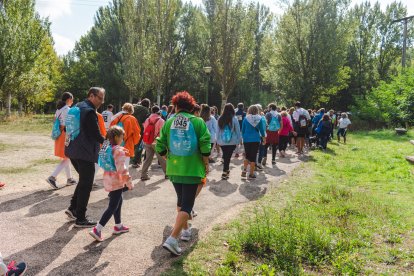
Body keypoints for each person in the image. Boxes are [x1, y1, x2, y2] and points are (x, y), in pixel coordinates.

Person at [156, 91, 211, 256]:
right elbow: (205, 144)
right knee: (187, 205)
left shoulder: (169, 121)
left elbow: (160, 143)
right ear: (191, 106)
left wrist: (167, 156)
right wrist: (206, 164)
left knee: (181, 202)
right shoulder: (198, 122)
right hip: (192, 169)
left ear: (176, 106)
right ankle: (173, 239)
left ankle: (185, 231)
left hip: (174, 168)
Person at [65, 87, 106, 228]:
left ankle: (72, 209)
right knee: (86, 184)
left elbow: (67, 128)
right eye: (100, 98)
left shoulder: (77, 106)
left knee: (83, 180)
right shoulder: (89, 112)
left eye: (103, 98)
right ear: (91, 96)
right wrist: (109, 142)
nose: (102, 101)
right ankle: (81, 218)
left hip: (72, 150)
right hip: (84, 152)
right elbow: (95, 134)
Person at [89, 126, 133, 242]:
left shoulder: (106, 147)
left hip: (108, 177)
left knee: (118, 201)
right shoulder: (118, 150)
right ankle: (97, 229)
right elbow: (122, 169)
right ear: (117, 137)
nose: (123, 138)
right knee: (113, 206)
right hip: (117, 180)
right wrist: (129, 182)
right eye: (122, 136)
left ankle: (118, 225)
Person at [47, 92, 77, 190]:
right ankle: (52, 177)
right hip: (65, 134)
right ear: (68, 99)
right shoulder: (67, 110)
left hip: (60, 135)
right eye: (72, 99)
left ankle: (69, 179)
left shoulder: (59, 109)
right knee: (67, 157)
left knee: (66, 157)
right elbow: (65, 125)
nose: (72, 101)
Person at [110, 103, 141, 168]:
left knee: (116, 166)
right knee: (125, 167)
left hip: (115, 145)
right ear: (131, 110)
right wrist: (134, 142)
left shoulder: (117, 117)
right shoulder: (132, 118)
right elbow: (137, 132)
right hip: (127, 145)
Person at [140, 105, 166, 181]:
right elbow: (163, 133)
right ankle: (167, 174)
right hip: (157, 142)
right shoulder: (161, 121)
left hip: (147, 141)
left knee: (147, 159)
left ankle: (143, 175)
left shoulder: (147, 120)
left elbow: (145, 130)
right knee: (162, 158)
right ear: (159, 111)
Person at [216, 103, 242, 180]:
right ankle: (225, 171)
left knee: (226, 155)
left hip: (222, 141)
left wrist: (217, 140)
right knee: (228, 156)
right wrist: (239, 140)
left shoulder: (220, 118)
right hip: (232, 141)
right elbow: (238, 130)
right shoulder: (234, 118)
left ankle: (226, 171)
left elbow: (218, 131)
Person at [241, 105, 266, 179]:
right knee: (253, 156)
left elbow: (243, 130)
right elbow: (262, 130)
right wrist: (264, 139)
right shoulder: (260, 119)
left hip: (246, 139)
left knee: (247, 155)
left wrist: (243, 138)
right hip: (255, 139)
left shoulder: (246, 118)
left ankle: (244, 170)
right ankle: (251, 174)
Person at [131, 99, 151, 168]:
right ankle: (136, 161)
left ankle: (130, 158)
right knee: (139, 146)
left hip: (130, 127)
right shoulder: (146, 110)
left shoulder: (134, 107)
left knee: (131, 143)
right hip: (140, 129)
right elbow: (146, 121)